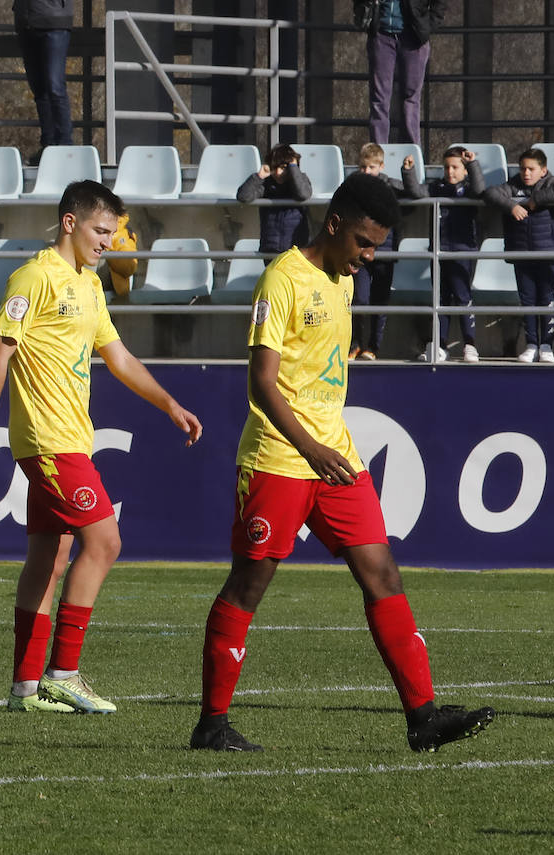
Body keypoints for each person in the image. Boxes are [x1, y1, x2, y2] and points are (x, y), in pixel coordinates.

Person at [190, 173, 495, 752]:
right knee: (248, 584)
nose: (367, 257)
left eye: (376, 246)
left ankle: (422, 718)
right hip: (282, 457)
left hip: (336, 460)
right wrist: (310, 448)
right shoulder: (282, 280)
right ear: (334, 225)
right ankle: (211, 724)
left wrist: (328, 450)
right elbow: (262, 382)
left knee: (381, 572)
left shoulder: (343, 280)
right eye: (363, 243)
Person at [0, 180, 202, 714]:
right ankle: (63, 673)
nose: (109, 242)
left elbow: (120, 357)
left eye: (113, 232)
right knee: (104, 543)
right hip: (48, 439)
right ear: (70, 223)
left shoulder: (89, 285)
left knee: (51, 557)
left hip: (71, 439)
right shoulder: (34, 276)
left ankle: (24, 688)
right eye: (101, 230)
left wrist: (169, 404)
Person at [482, 148, 554, 363]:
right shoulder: (513, 185)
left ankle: (546, 345)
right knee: (528, 300)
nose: (526, 173)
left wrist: (536, 199)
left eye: (531, 169)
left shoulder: (552, 183)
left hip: (547, 253)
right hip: (521, 252)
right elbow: (490, 194)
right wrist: (511, 206)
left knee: (546, 299)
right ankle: (531, 344)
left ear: (543, 170)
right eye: (523, 168)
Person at [349, 142, 425, 360]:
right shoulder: (353, 186)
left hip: (385, 250)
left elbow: (414, 198)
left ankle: (373, 347)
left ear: (381, 166)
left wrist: (408, 172)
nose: (366, 172)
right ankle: (355, 344)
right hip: (360, 251)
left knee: (380, 300)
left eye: (371, 168)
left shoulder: (391, 186)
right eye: (363, 168)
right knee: (360, 300)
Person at [418, 146, 486, 363]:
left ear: (464, 170)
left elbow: (479, 190)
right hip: (439, 251)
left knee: (462, 297)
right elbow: (415, 191)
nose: (450, 171)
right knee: (440, 299)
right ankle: (439, 345)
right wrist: (407, 171)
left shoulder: (467, 188)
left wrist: (473, 164)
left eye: (455, 167)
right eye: (446, 167)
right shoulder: (437, 187)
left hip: (462, 251)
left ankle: (470, 344)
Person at [361, 0, 445, 146]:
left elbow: (440, 4)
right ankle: (378, 151)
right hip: (381, 34)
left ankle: (410, 151)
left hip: (413, 36)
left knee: (411, 96)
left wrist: (427, 26)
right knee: (379, 97)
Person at [13, 0, 73, 162]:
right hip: (26, 23)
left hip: (54, 21)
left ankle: (65, 145)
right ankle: (48, 145)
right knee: (39, 89)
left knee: (54, 86)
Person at [237, 143, 313, 255]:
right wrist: (259, 176)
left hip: (295, 250)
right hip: (270, 248)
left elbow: (303, 194)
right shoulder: (266, 185)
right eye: (274, 168)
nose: (278, 173)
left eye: (283, 168)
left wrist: (293, 167)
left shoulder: (300, 181)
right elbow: (243, 196)